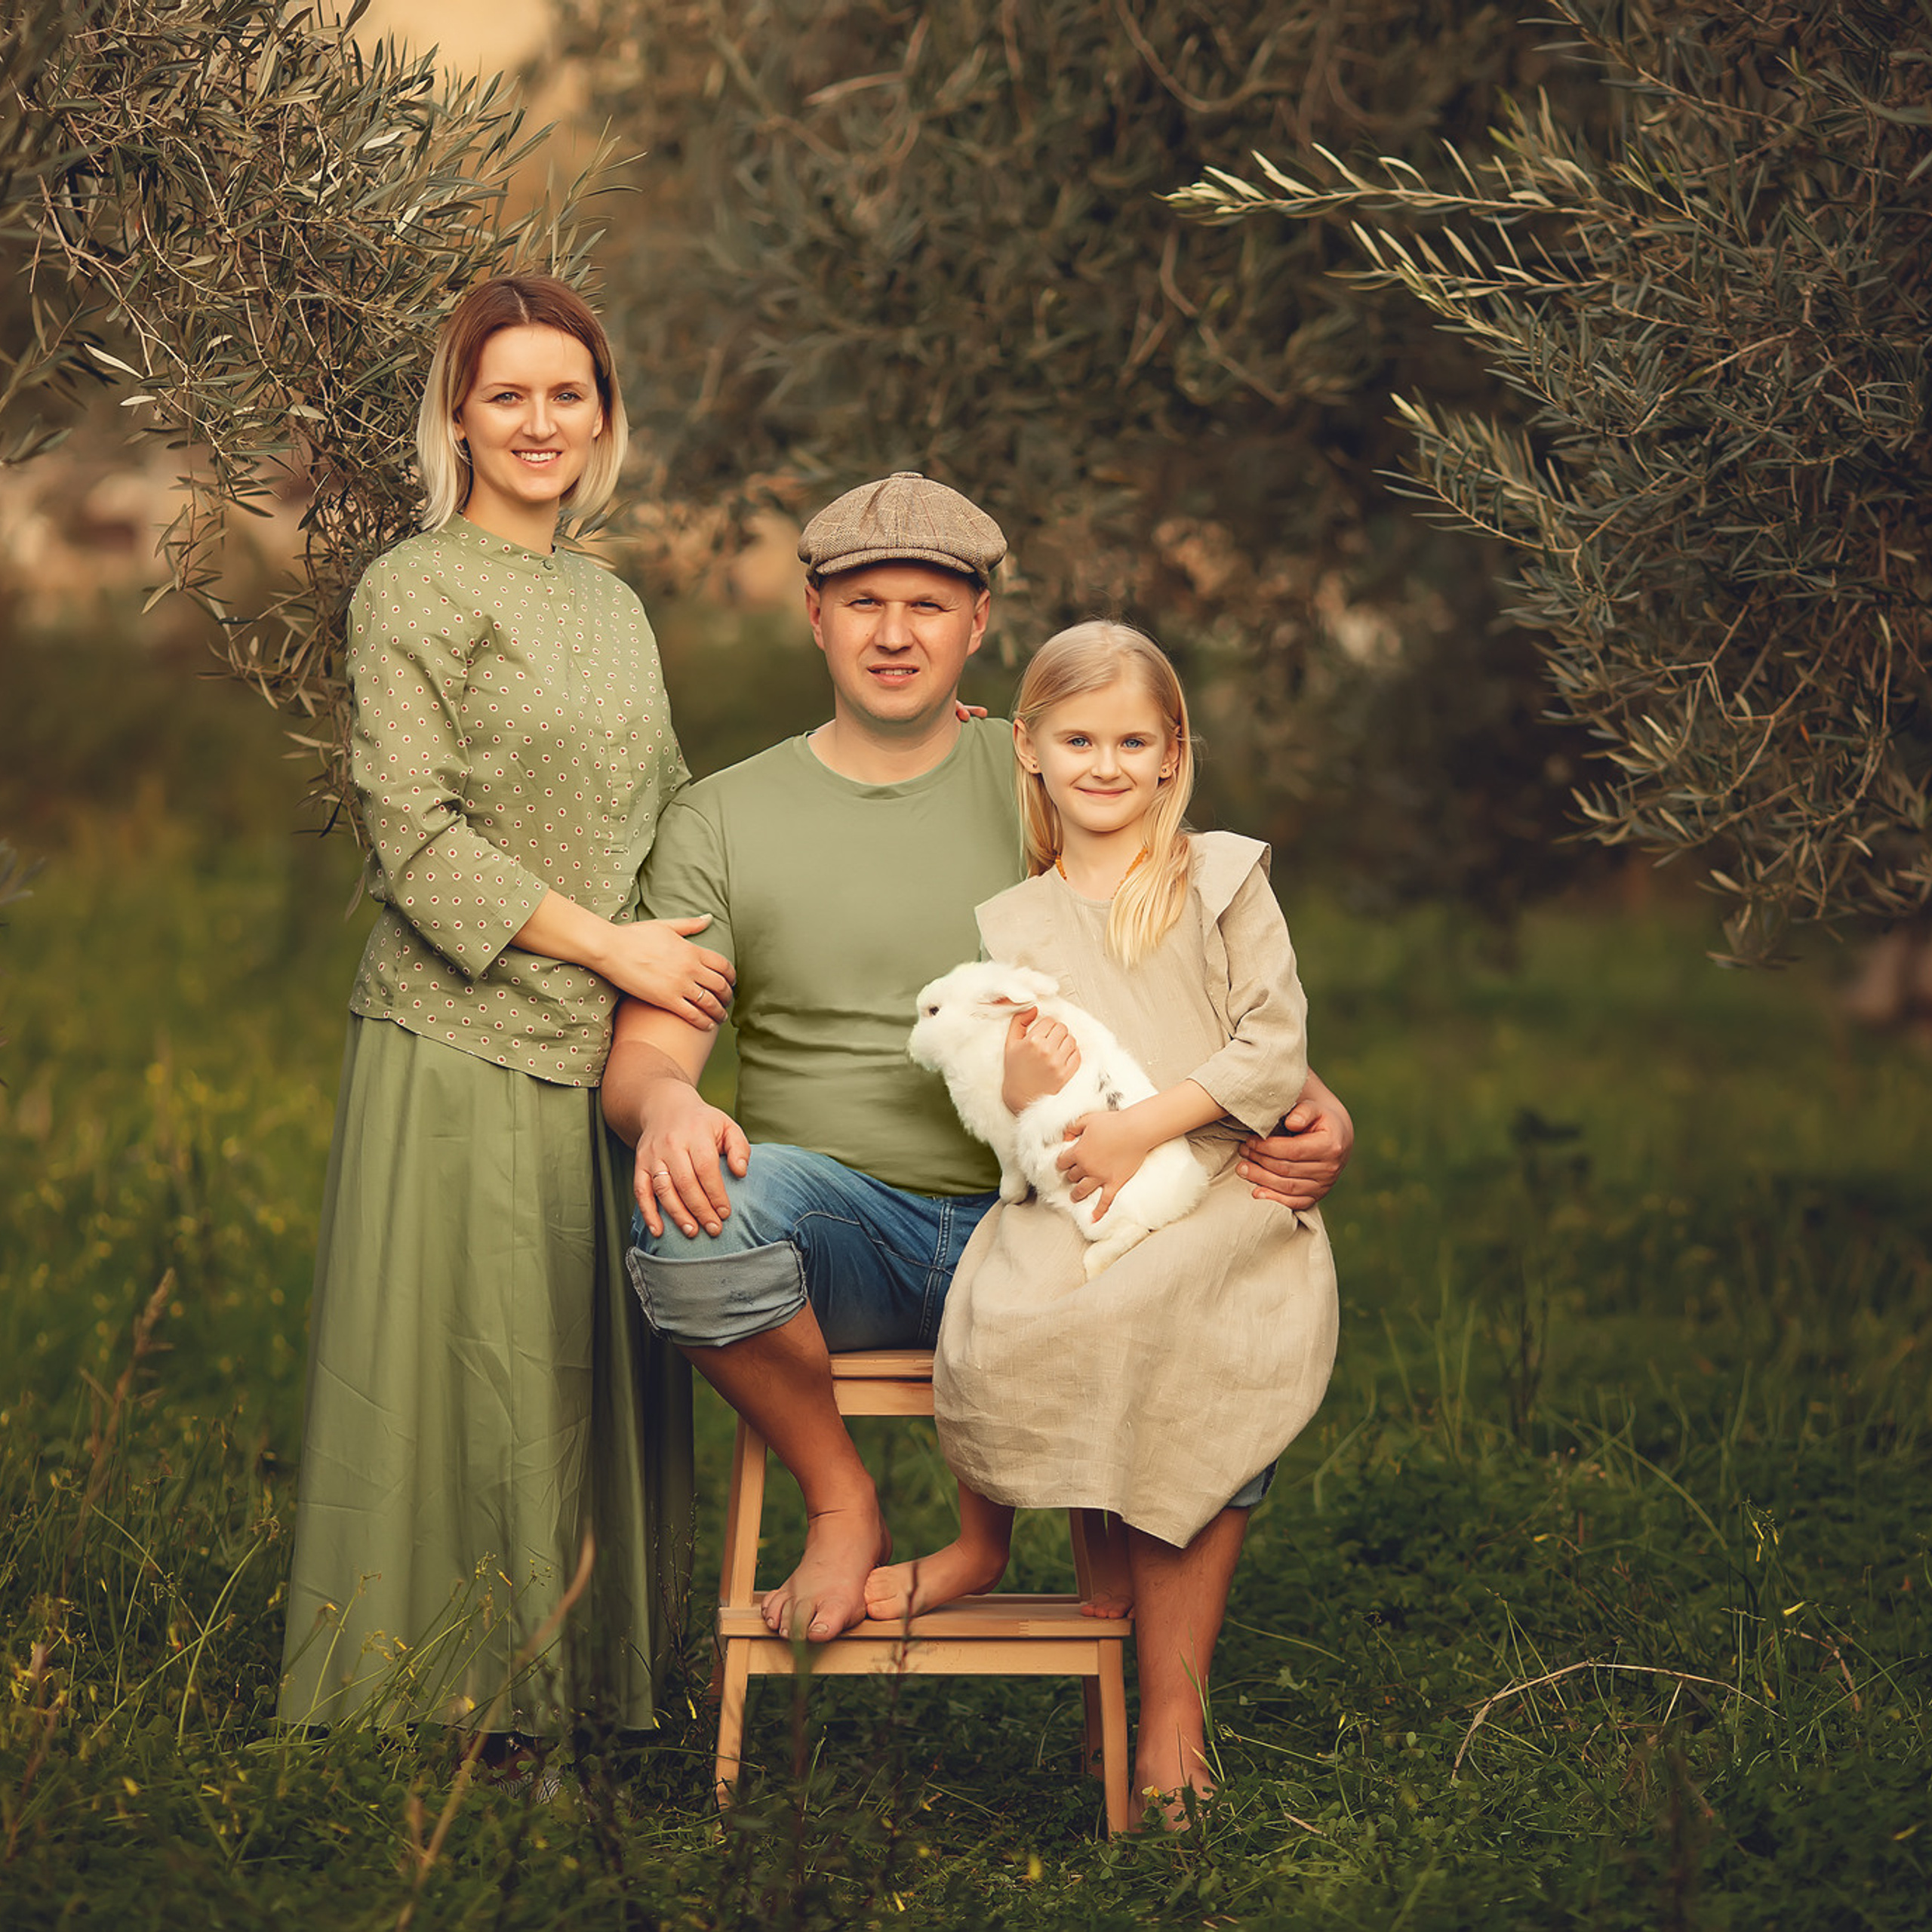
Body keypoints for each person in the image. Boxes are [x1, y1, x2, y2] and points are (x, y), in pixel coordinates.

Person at [601, 472, 1352, 1653]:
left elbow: (1183, 944)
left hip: (1062, 1211)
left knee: (1232, 1274)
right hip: (847, 1229)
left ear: (979, 622)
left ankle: (1173, 1724)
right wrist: (670, 1108)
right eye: (863, 603)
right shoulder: (723, 819)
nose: (895, 634)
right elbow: (645, 1058)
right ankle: (843, 1501)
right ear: (814, 614)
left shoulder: (1048, 768)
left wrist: (1311, 1102)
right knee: (691, 1218)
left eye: (928, 605)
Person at [278, 275, 731, 1743]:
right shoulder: (414, 586)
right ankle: (425, 1705)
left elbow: (672, 808)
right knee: (466, 1382)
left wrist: (901, 755)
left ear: (603, 416)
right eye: (506, 395)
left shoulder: (610, 603)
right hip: (461, 1035)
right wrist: (612, 947)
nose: (540, 422)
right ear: (457, 419)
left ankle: (590, 1693)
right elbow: (410, 830)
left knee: (584, 1382)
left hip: (609, 1052)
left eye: (566, 393)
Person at [869, 621, 1339, 1816]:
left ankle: (1171, 1711)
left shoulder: (1222, 878)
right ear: (1030, 748)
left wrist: (1147, 1128)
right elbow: (1015, 1103)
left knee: (1199, 1342)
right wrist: (1035, 1082)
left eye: (1134, 740)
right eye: (1078, 739)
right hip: (1085, 1198)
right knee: (1053, 1325)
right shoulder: (1014, 925)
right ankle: (1102, 1667)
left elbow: (1273, 1049)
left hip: (1220, 1193)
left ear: (1174, 751)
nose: (1106, 764)